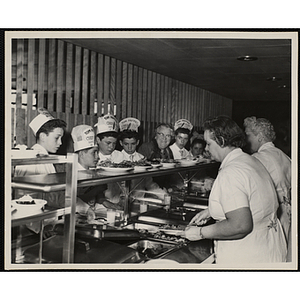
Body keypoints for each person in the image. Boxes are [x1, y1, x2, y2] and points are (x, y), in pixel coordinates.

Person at [185, 116, 287, 264]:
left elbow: (240, 225)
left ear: (221, 141)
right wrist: (212, 211)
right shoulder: (250, 160)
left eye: (208, 144)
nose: (206, 149)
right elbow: (254, 199)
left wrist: (200, 232)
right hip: (269, 249)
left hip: (248, 255)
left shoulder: (230, 172)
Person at [243, 116, 291, 244]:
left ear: (259, 136)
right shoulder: (284, 155)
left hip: (273, 216)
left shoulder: (258, 158)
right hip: (288, 214)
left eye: (248, 135)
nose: (246, 140)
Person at [71, 124, 120, 220]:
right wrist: (86, 209)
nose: (97, 157)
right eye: (94, 152)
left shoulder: (93, 171)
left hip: (92, 214)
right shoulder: (71, 172)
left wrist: (103, 201)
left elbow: (96, 194)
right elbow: (68, 199)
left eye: (97, 152)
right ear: (81, 154)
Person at [118, 117, 166, 202]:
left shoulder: (142, 158)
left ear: (137, 142)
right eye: (126, 144)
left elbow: (149, 184)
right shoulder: (116, 158)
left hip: (139, 202)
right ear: (121, 143)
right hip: (120, 203)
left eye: (133, 144)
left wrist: (165, 196)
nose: (129, 148)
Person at [14, 108, 66, 177]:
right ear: (43, 136)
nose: (60, 143)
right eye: (56, 138)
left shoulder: (45, 158)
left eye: (61, 138)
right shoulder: (32, 159)